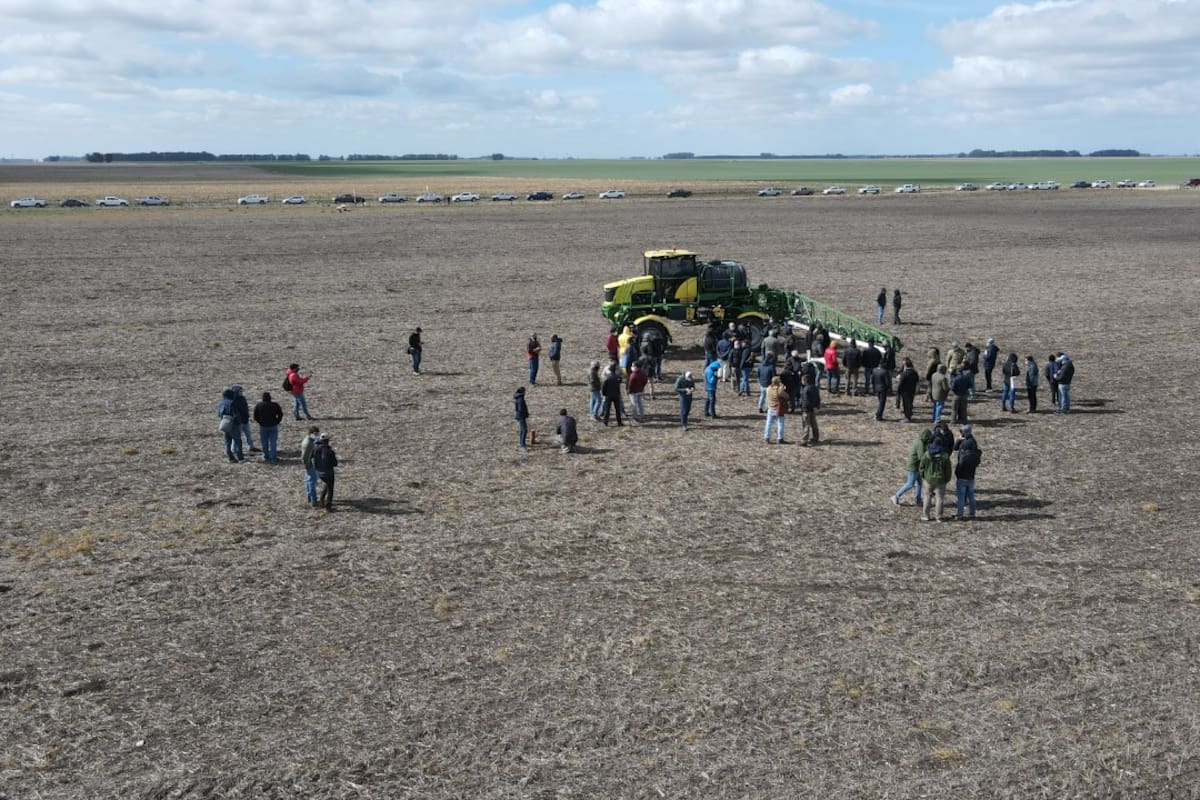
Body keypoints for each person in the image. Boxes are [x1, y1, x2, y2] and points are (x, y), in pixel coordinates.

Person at [919, 420, 953, 522]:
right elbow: (948, 469)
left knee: (927, 497)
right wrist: (947, 479)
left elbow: (922, 466)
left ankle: (926, 515)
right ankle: (939, 517)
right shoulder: (945, 456)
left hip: (928, 479)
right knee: (940, 499)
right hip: (941, 479)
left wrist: (923, 476)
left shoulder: (927, 454)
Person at [891, 428, 929, 507]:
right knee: (910, 484)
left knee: (919, 483)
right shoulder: (920, 444)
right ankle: (896, 496)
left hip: (917, 466)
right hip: (914, 467)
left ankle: (918, 500)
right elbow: (921, 457)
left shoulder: (918, 440)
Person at [953, 425, 982, 521]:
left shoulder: (966, 445)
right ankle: (972, 513)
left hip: (962, 475)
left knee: (961, 497)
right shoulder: (973, 443)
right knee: (971, 495)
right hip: (971, 475)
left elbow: (955, 448)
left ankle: (960, 514)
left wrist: (958, 440)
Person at [253, 391, 284, 463]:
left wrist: (260, 422)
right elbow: (280, 414)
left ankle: (265, 456)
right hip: (273, 425)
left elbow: (255, 416)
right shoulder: (275, 405)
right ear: (270, 398)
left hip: (263, 426)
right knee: (273, 442)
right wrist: (277, 421)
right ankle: (273, 458)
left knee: (264, 442)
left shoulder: (259, 405)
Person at [217, 387, 244, 462]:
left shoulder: (220, 403)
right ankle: (240, 457)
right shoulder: (232, 402)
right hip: (233, 424)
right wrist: (239, 422)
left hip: (224, 424)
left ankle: (231, 457)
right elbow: (236, 414)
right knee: (238, 441)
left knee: (227, 441)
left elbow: (219, 414)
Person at [311, 434, 338, 510]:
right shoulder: (330, 451)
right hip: (329, 473)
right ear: (327, 441)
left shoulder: (315, 449)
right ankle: (328, 506)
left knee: (327, 484)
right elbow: (335, 463)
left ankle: (322, 499)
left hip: (319, 472)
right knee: (330, 489)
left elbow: (311, 457)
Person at [230, 385, 256, 453]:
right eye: (240, 391)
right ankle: (233, 449)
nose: (241, 392)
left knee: (248, 434)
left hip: (245, 420)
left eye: (241, 391)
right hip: (239, 422)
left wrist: (247, 415)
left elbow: (246, 408)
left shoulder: (243, 398)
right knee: (236, 436)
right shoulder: (233, 401)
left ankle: (251, 447)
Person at [763, 376, 788, 444]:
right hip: (778, 408)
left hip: (770, 408)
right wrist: (783, 389)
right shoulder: (779, 390)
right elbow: (786, 396)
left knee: (768, 423)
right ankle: (780, 438)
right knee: (780, 423)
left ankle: (766, 437)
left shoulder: (768, 388)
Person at [798, 371, 821, 445]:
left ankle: (804, 440)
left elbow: (805, 400)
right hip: (812, 409)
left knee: (806, 425)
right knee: (814, 424)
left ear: (805, 380)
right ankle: (815, 438)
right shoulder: (814, 387)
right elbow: (818, 398)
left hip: (806, 409)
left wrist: (802, 407)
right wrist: (816, 406)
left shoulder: (806, 389)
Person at [300, 425, 320, 505]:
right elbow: (305, 456)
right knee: (312, 481)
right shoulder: (308, 443)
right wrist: (306, 465)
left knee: (308, 481)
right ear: (311, 433)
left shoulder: (308, 440)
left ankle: (309, 496)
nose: (317, 435)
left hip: (308, 464)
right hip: (310, 464)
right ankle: (313, 499)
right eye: (316, 434)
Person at [896, 356, 919, 422]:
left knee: (906, 404)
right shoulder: (914, 372)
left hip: (905, 391)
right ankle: (909, 415)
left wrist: (898, 391)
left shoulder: (904, 374)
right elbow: (917, 381)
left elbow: (901, 383)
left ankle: (907, 417)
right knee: (910, 403)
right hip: (912, 390)